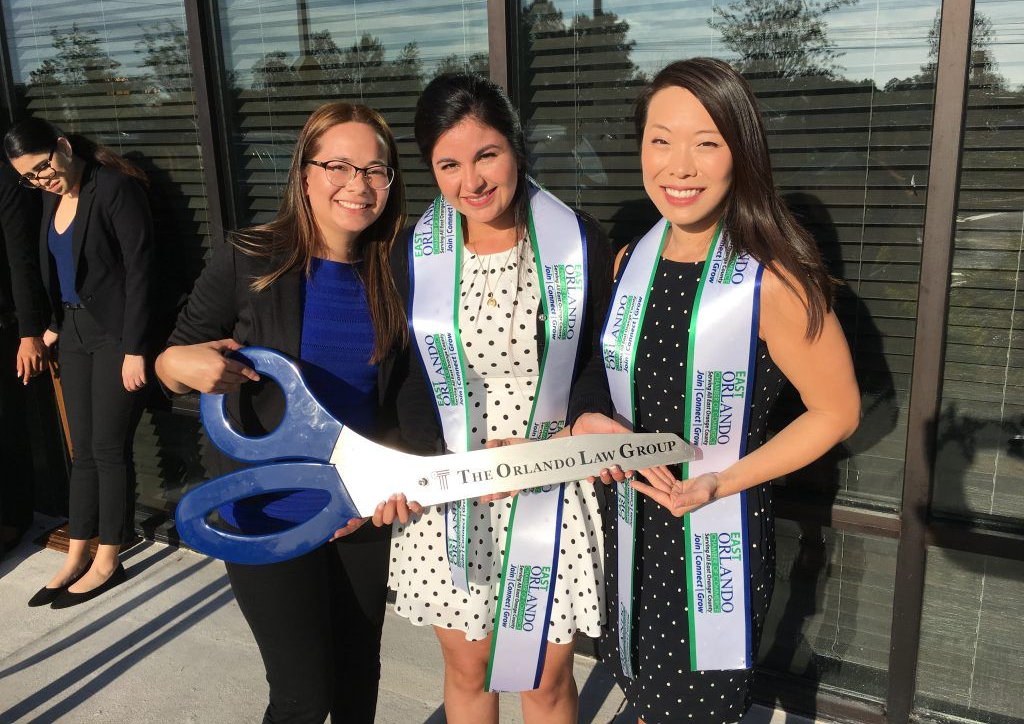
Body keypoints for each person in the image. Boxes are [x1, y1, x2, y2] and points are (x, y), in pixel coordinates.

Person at [569, 58, 861, 724]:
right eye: (661, 140)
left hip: (711, 538)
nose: (680, 166)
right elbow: (604, 366)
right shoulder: (631, 258)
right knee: (642, 694)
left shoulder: (773, 279)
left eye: (707, 142)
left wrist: (722, 483)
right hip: (634, 524)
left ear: (742, 153)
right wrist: (588, 416)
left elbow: (838, 411)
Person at [155, 102, 406, 724]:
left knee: (357, 681)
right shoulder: (249, 259)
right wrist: (180, 367)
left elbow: (403, 398)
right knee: (301, 696)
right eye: (339, 165)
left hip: (358, 510)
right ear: (305, 172)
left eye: (376, 170)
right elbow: (174, 362)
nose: (358, 184)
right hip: (265, 512)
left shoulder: (399, 270)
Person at [384, 72, 612, 724]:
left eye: (486, 155)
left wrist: (556, 443)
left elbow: (596, 360)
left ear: (515, 146)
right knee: (470, 669)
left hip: (551, 480)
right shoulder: (414, 253)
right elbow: (407, 375)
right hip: (453, 487)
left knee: (541, 679)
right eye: (449, 164)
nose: (472, 181)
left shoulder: (576, 242)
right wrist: (442, 463)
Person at [5, 118, 153, 607]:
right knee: (81, 452)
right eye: (28, 177)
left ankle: (109, 557)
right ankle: (77, 553)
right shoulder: (50, 197)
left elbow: (140, 271)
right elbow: (62, 270)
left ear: (63, 147)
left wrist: (135, 347)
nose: (41, 181)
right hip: (71, 332)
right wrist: (49, 325)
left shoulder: (114, 188)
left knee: (109, 450)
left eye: (43, 168)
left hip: (114, 336)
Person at [0, 162, 49, 555]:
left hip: (6, 325)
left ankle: (13, 521)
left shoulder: (6, 184)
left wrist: (29, 332)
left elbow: (22, 261)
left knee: (7, 426)